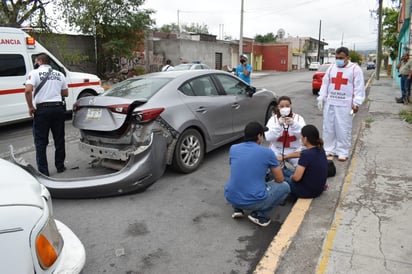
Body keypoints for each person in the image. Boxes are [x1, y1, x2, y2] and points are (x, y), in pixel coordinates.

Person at [224, 121, 290, 227]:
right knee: (285, 187)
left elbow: (240, 169)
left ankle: (237, 208)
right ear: (259, 136)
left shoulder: (234, 148)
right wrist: (272, 181)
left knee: (244, 177)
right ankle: (258, 214)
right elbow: (280, 179)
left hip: (231, 196)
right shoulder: (267, 153)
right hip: (252, 201)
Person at [317, 46, 365, 162]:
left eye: (341, 58)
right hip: (330, 102)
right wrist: (321, 97)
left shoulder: (355, 69)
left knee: (343, 128)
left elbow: (359, 87)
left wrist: (357, 103)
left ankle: (342, 151)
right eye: (337, 57)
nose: (338, 60)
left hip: (345, 104)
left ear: (347, 57)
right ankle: (329, 150)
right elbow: (325, 83)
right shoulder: (332, 68)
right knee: (329, 127)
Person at [24, 53, 68, 176]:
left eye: (36, 61)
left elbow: (28, 90)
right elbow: (65, 93)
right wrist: (53, 89)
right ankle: (60, 166)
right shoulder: (59, 74)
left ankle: (44, 172)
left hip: (42, 111)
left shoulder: (34, 73)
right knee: (59, 139)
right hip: (58, 109)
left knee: (40, 142)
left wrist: (30, 107)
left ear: (39, 61)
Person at [283, 125, 328, 198]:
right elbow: (300, 154)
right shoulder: (320, 149)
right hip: (318, 189)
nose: (301, 139)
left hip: (306, 191)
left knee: (280, 176)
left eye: (301, 136)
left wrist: (291, 177)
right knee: (285, 171)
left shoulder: (306, 155)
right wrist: (284, 157)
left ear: (305, 138)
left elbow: (296, 178)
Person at [265, 96, 306, 168]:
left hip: (295, 150)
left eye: (287, 106)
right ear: (278, 107)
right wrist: (278, 126)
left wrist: (294, 124)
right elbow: (268, 137)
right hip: (277, 150)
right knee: (272, 169)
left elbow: (303, 135)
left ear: (291, 106)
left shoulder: (298, 118)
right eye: (282, 106)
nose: (285, 108)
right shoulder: (272, 119)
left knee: (303, 168)